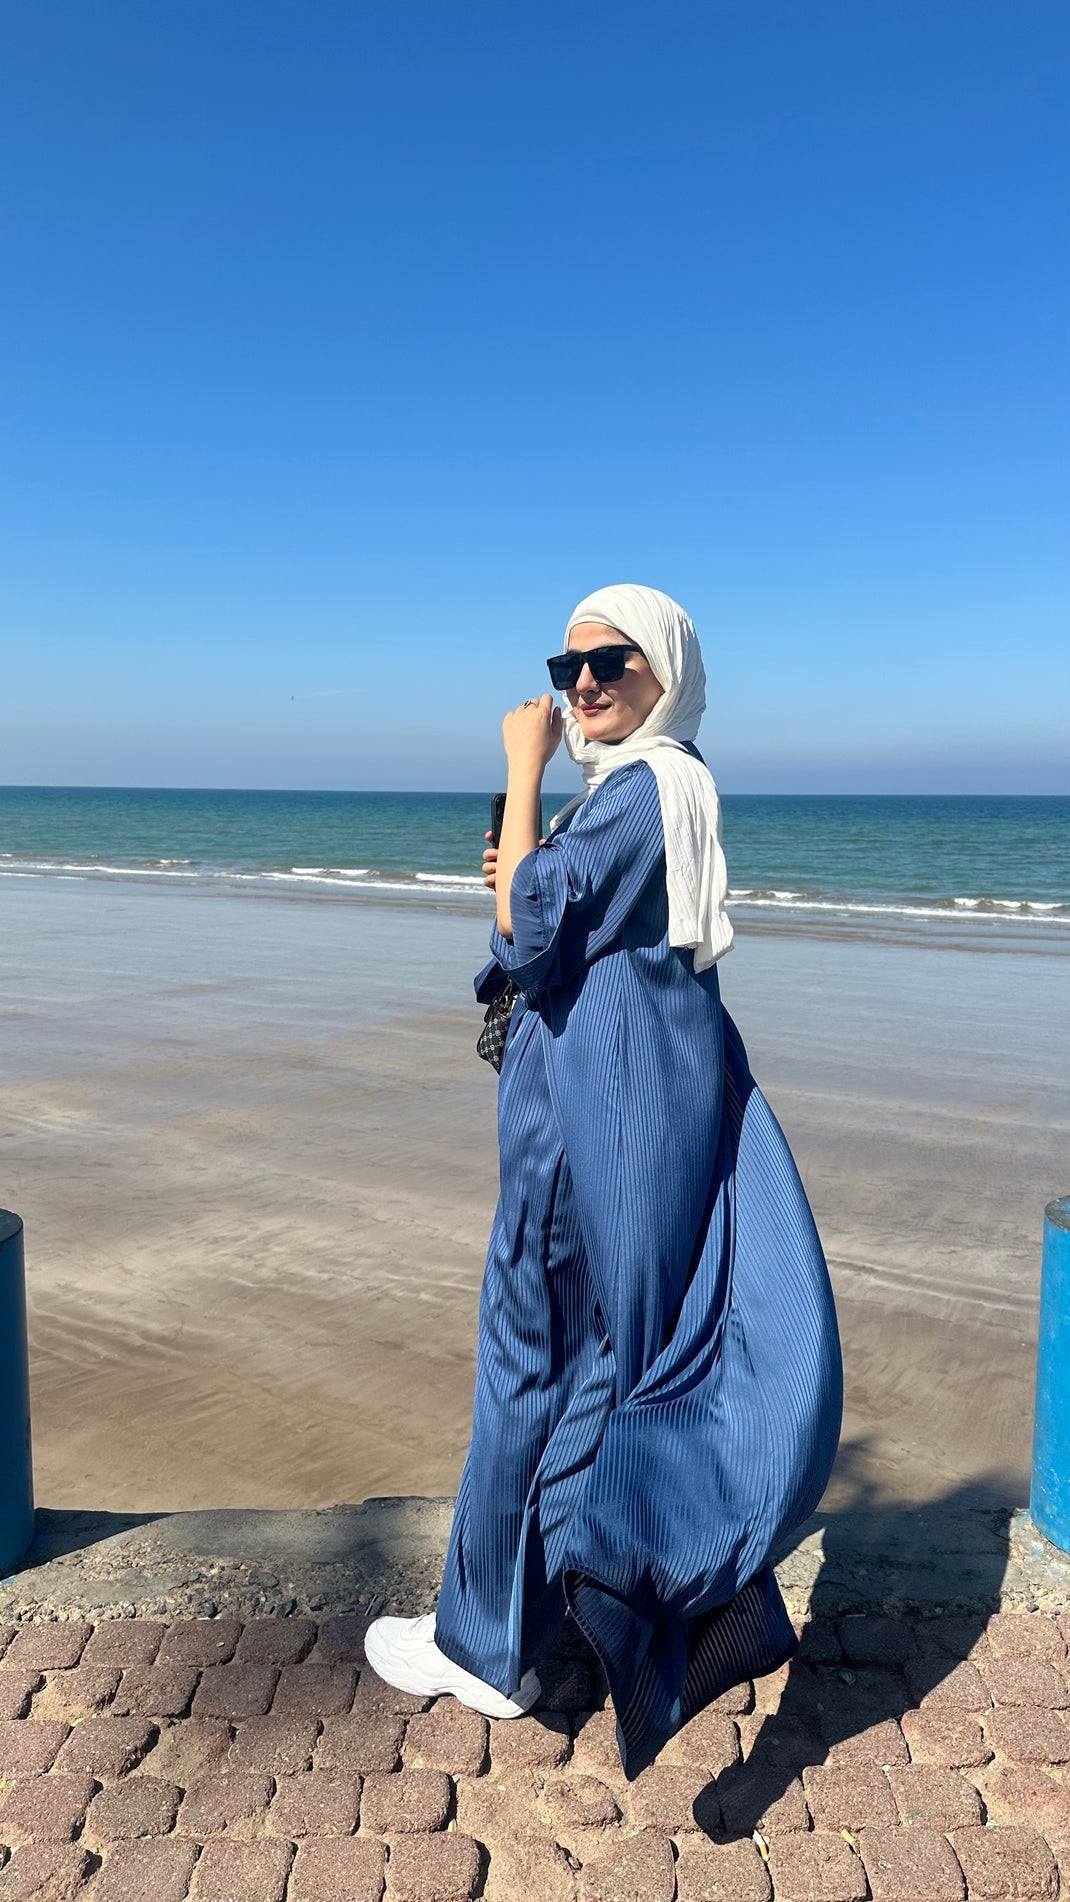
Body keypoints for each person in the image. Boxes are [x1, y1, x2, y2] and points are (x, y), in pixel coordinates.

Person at [365, 583, 842, 1775]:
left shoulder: (639, 789)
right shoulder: (649, 790)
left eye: (609, 663)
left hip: (577, 1140)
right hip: (610, 1128)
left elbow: (525, 939)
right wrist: (527, 853)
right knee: (580, 1372)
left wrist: (520, 770)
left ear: (664, 671)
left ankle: (480, 1646)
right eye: (566, 667)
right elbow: (535, 922)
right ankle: (547, 1605)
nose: (580, 685)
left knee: (524, 1363)